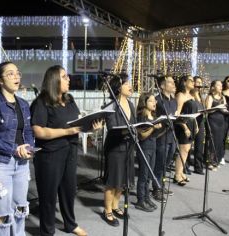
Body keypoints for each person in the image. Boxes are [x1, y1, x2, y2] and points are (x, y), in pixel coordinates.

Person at [31, 65, 98, 236]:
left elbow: (77, 126)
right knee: (48, 196)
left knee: (68, 191)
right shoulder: (42, 102)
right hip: (49, 155)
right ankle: (47, 231)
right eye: (64, 76)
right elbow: (38, 131)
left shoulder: (69, 99)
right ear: (54, 80)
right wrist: (67, 132)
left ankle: (70, 224)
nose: (69, 79)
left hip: (70, 151)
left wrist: (91, 128)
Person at [0, 61, 34, 235]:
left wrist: (30, 148)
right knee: (0, 215)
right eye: (10, 74)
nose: (16, 76)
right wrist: (14, 149)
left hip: (22, 164)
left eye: (17, 73)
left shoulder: (23, 103)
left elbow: (28, 131)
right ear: (0, 80)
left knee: (20, 209)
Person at [102, 74, 135, 227]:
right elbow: (112, 129)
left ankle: (115, 206)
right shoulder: (111, 105)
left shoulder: (131, 104)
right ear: (118, 87)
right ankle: (107, 210)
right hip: (115, 147)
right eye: (127, 83)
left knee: (123, 180)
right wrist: (128, 131)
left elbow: (135, 124)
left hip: (129, 147)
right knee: (113, 180)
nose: (130, 86)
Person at [135, 92, 161, 212]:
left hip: (153, 146)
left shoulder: (154, 116)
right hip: (144, 147)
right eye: (151, 101)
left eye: (154, 100)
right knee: (143, 175)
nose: (154, 102)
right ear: (144, 103)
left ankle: (146, 197)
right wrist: (153, 128)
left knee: (149, 175)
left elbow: (156, 135)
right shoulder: (141, 116)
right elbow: (142, 136)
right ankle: (140, 200)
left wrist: (163, 127)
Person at [151, 75, 177, 202]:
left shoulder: (174, 100)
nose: (173, 84)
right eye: (170, 82)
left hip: (172, 136)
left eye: (173, 82)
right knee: (160, 164)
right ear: (162, 86)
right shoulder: (157, 100)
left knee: (166, 164)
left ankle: (161, 185)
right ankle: (156, 188)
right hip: (161, 137)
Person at [174, 75, 198, 186]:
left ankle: (181, 171)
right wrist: (185, 127)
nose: (193, 82)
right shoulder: (180, 95)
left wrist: (196, 125)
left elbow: (194, 113)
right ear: (184, 82)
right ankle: (177, 175)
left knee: (187, 149)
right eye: (191, 80)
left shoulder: (191, 95)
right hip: (183, 125)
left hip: (192, 123)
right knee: (183, 149)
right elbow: (177, 114)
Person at [205, 80, 227, 169]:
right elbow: (207, 110)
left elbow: (225, 109)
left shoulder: (223, 97)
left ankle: (216, 161)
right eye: (219, 85)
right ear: (213, 87)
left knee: (219, 141)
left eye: (221, 85)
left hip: (221, 120)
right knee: (212, 141)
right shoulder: (210, 96)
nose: (221, 87)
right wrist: (217, 108)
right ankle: (209, 161)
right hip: (213, 120)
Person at [191, 76, 206, 174]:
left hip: (200, 123)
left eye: (201, 83)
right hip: (192, 122)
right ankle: (185, 165)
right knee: (188, 146)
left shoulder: (201, 97)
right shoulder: (190, 95)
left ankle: (198, 166)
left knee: (199, 146)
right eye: (197, 82)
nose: (199, 85)